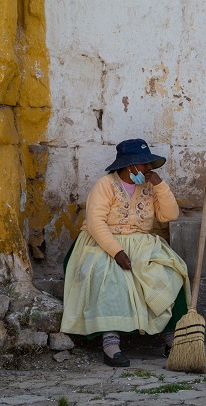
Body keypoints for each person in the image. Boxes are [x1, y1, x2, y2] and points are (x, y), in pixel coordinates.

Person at [60, 139, 190, 367]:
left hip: (142, 244)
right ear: (130, 166)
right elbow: (95, 222)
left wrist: (160, 186)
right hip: (102, 243)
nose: (149, 169)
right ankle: (111, 345)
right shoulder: (105, 185)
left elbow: (169, 215)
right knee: (110, 277)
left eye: (150, 164)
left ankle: (171, 339)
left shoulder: (150, 187)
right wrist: (117, 252)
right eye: (144, 164)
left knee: (169, 273)